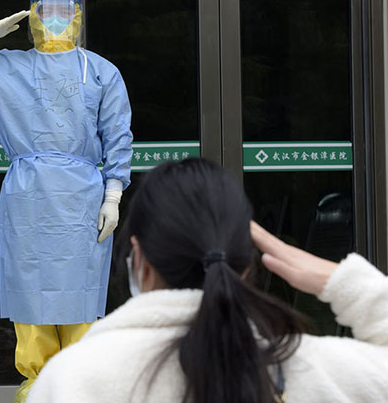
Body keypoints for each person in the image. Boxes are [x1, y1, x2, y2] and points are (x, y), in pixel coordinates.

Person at [27, 158, 388, 403]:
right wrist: (344, 280)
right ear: (246, 264)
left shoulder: (74, 379)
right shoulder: (314, 369)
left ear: (140, 260)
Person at [0, 0, 132, 401]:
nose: (56, 18)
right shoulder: (6, 66)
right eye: (47, 10)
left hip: (82, 194)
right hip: (27, 193)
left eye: (65, 10)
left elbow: (118, 136)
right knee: (30, 288)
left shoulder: (100, 71)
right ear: (32, 16)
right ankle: (39, 382)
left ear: (78, 16)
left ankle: (80, 384)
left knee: (80, 292)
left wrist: (113, 194)